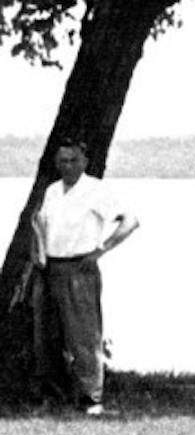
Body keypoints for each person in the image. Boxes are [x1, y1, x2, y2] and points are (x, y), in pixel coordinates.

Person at [27, 138, 141, 416]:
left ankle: (92, 399)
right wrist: (38, 251)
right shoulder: (53, 191)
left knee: (83, 335)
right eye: (62, 161)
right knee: (48, 335)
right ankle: (54, 394)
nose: (68, 166)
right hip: (49, 267)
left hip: (79, 268)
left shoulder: (95, 190)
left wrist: (101, 250)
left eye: (73, 160)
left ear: (85, 161)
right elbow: (38, 222)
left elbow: (130, 221)